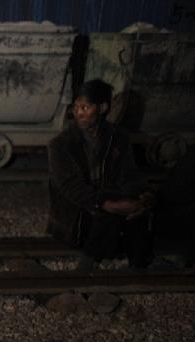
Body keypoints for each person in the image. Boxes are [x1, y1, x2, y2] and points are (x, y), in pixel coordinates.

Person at [47, 79, 155, 269]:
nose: (79, 113)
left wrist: (142, 199)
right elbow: (71, 187)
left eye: (86, 107)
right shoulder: (60, 144)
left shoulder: (117, 137)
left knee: (138, 212)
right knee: (109, 214)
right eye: (76, 107)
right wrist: (107, 205)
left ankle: (138, 267)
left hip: (106, 200)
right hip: (77, 215)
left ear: (103, 108)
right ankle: (87, 265)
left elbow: (129, 174)